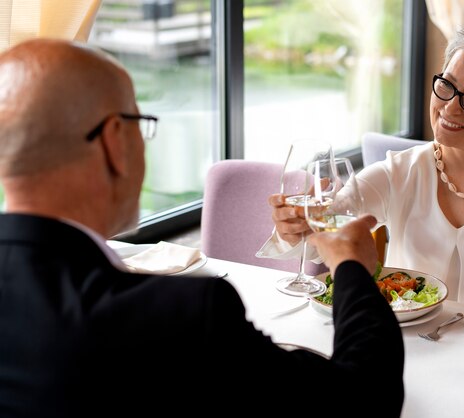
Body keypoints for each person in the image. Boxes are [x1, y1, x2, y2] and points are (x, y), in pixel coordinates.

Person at [0, 39, 404, 417]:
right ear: (114, 142)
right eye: (141, 122)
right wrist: (352, 268)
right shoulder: (184, 317)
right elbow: (364, 398)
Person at [259, 9, 464, 341]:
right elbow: (329, 230)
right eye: (447, 85)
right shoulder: (399, 171)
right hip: (399, 352)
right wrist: (295, 227)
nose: (450, 108)